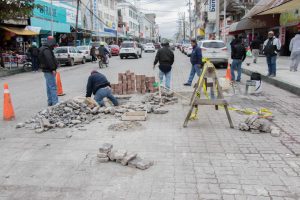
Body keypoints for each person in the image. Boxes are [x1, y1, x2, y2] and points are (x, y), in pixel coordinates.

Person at [38, 36, 59, 106]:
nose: (53, 47)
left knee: (49, 86)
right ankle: (55, 102)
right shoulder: (46, 50)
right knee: (53, 87)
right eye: (53, 45)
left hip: (46, 70)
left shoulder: (43, 48)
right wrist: (53, 69)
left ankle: (50, 101)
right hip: (49, 70)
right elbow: (49, 59)